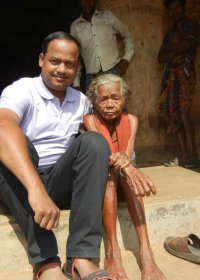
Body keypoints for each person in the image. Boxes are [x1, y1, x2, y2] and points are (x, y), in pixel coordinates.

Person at [0, 31, 114, 280]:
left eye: (70, 64)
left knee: (94, 142)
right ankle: (47, 263)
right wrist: (35, 189)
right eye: (55, 61)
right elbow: (3, 127)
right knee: (13, 142)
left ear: (77, 67)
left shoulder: (81, 101)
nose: (62, 69)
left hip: (58, 182)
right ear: (42, 59)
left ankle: (81, 258)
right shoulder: (22, 90)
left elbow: (93, 150)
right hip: (20, 183)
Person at [84, 74, 166, 280]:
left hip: (124, 180)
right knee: (111, 173)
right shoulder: (90, 120)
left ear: (124, 99)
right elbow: (107, 154)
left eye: (115, 98)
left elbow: (127, 155)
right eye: (103, 99)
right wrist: (130, 170)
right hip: (107, 182)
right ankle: (112, 253)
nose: (110, 104)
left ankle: (147, 254)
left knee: (123, 172)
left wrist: (129, 168)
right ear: (94, 101)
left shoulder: (132, 120)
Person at [157, 0, 200, 168]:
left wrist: (172, 51)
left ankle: (194, 156)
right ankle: (184, 156)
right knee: (171, 113)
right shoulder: (170, 32)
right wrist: (177, 50)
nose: (174, 12)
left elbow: (189, 44)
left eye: (177, 8)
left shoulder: (192, 25)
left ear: (183, 8)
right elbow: (161, 57)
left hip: (185, 76)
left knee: (184, 113)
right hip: (171, 78)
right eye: (171, 10)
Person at [70, 0, 134, 91]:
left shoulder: (107, 17)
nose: (87, 3)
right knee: (93, 105)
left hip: (113, 73)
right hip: (92, 78)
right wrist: (76, 83)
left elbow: (127, 35)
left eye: (90, 0)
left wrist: (127, 57)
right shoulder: (75, 26)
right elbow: (76, 57)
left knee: (117, 104)